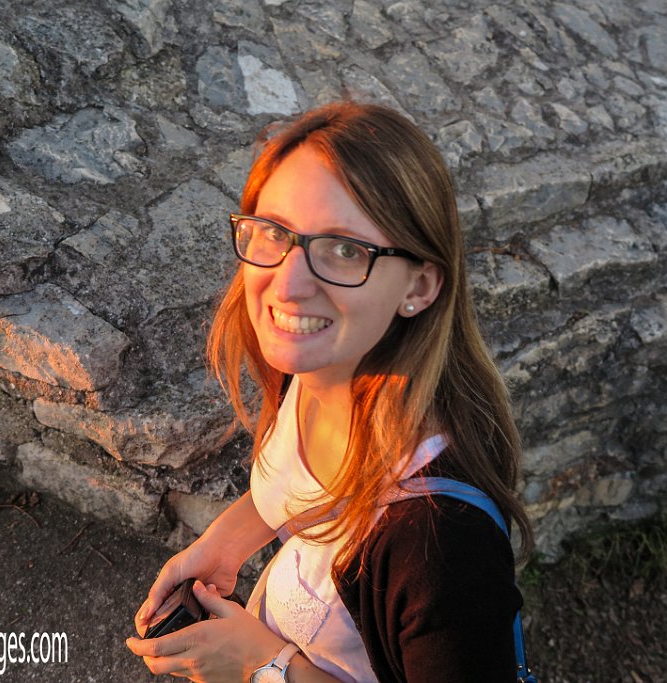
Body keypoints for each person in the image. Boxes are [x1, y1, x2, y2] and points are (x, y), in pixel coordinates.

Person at [126, 101, 533, 682]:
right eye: (274, 232)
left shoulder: (440, 545)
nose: (288, 284)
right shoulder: (324, 369)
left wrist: (262, 668)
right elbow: (309, 491)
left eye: (346, 249)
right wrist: (229, 540)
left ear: (418, 287)